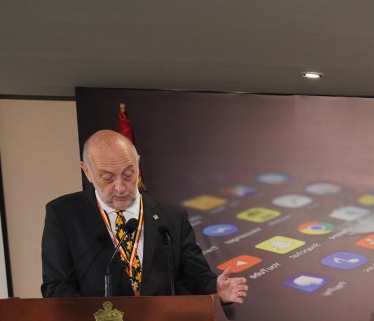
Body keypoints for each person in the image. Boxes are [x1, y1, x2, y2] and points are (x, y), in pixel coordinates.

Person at [41, 129, 248, 303]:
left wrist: (216, 288)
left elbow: (194, 276)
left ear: (138, 164)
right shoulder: (64, 214)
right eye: (108, 178)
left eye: (128, 174)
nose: (120, 187)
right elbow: (56, 285)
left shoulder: (171, 217)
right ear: (87, 171)